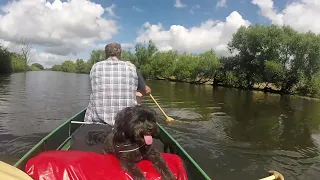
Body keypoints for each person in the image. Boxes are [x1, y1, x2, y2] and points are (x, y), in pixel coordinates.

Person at [70, 42, 151, 152]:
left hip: (97, 122)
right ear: (120, 53)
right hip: (126, 123)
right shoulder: (132, 68)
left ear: (106, 53)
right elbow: (146, 91)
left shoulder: (95, 67)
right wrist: (138, 93)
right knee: (139, 99)